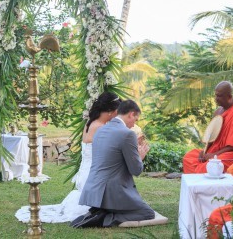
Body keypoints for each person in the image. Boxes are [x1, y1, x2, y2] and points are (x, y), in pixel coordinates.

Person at [15, 92, 121, 223]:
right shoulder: (100, 127)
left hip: (86, 172)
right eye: (118, 111)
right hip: (93, 176)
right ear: (111, 111)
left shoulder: (92, 122)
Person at [74, 100, 154, 228]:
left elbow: (111, 158)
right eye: (136, 119)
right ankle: (104, 218)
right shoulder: (128, 134)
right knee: (147, 212)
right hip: (111, 192)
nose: (134, 124)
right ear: (131, 114)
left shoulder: (101, 129)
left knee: (137, 208)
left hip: (93, 191)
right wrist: (140, 157)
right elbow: (136, 170)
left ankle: (98, 211)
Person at [182, 81, 233, 174]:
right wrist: (205, 151)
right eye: (215, 95)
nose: (216, 99)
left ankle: (204, 186)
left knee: (210, 165)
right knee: (189, 157)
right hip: (215, 151)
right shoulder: (217, 112)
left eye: (219, 96)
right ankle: (196, 184)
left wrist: (214, 155)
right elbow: (212, 135)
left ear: (229, 96)